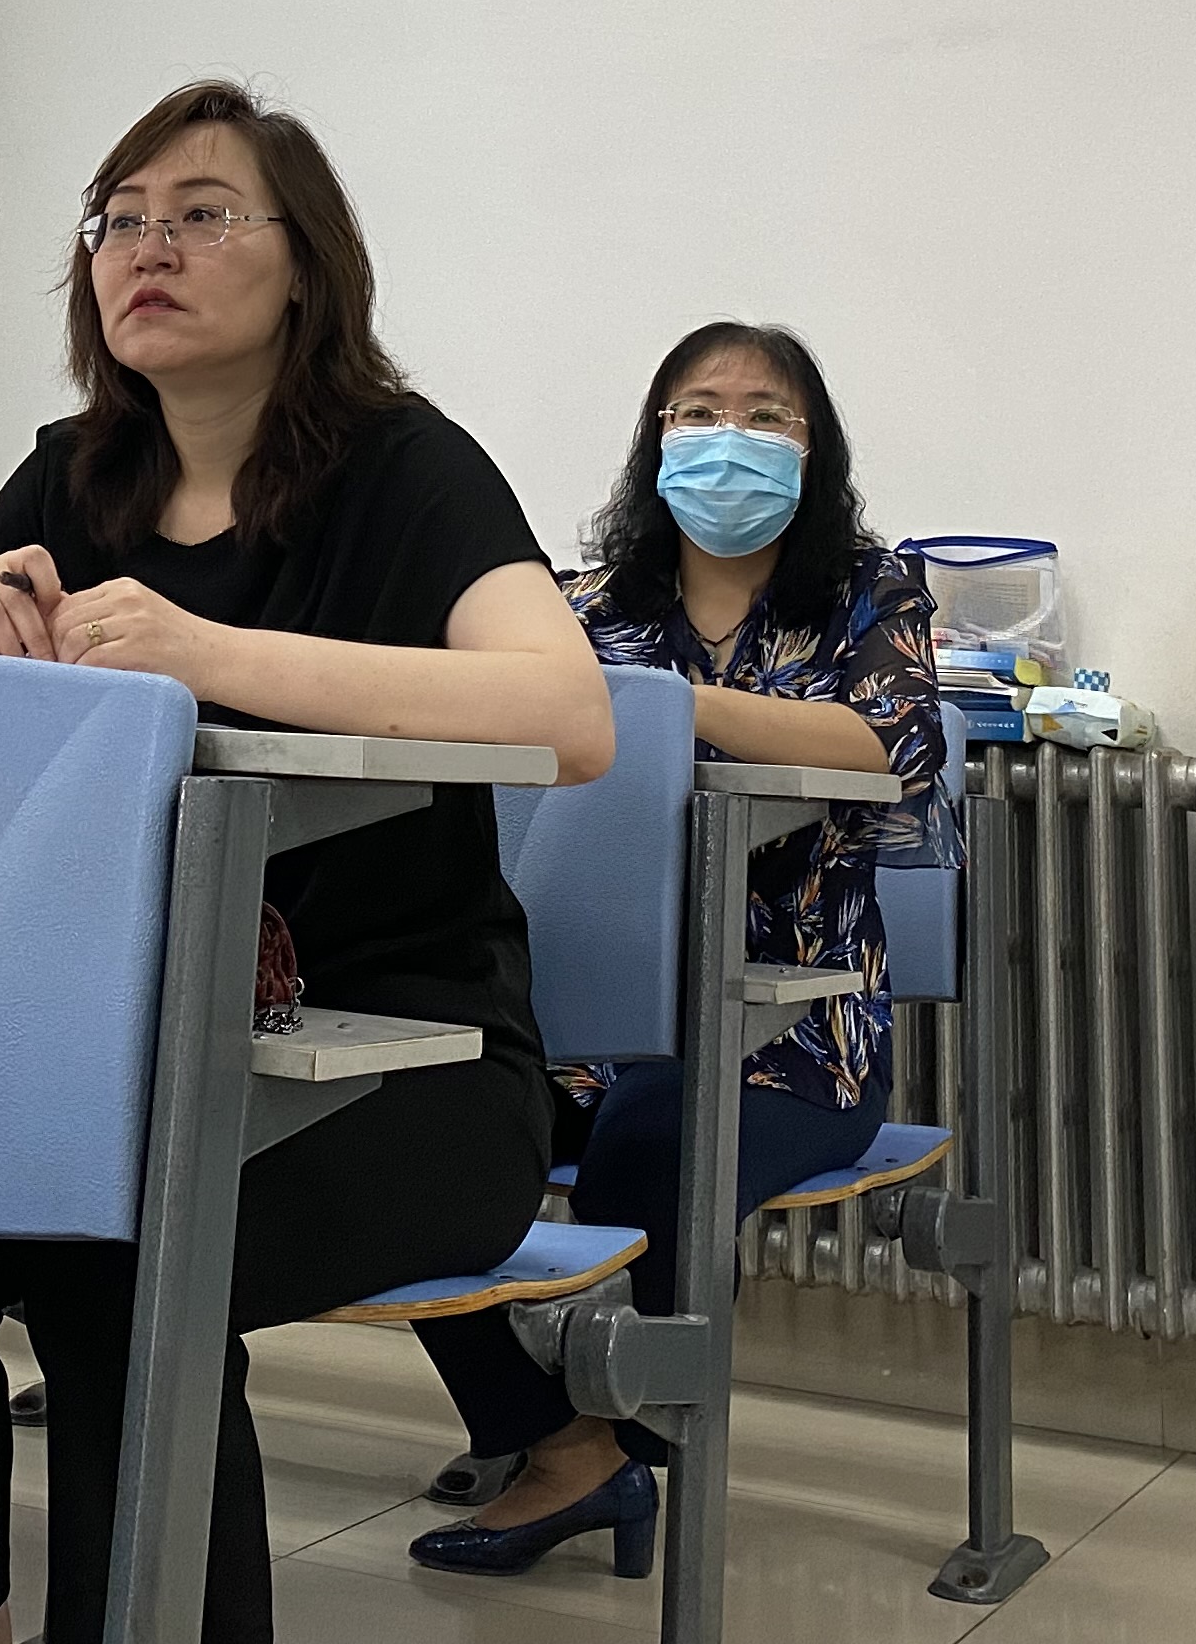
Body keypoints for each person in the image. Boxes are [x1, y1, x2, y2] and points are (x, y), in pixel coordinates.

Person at [0, 81, 618, 1644]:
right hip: (133, 1052)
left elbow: (570, 715)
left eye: (198, 214)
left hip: (411, 1065)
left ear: (303, 265)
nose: (147, 249)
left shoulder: (406, 467)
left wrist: (206, 652)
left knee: (127, 1254)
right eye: (118, 221)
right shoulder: (78, 471)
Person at [406, 319, 943, 1579]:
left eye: (765, 415)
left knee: (652, 1150)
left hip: (789, 1036)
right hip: (584, 1025)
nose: (727, 439)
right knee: (409, 1133)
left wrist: (664, 708)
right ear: (657, 439)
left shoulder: (872, 592)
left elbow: (892, 747)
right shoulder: (584, 606)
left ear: (813, 447)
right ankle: (560, 1439)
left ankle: (611, 1443)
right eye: (699, 413)